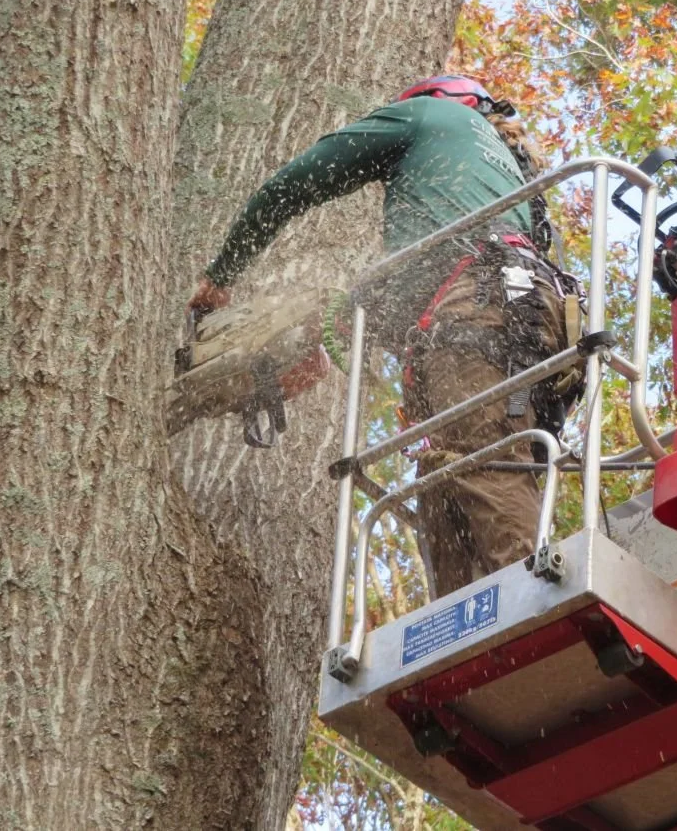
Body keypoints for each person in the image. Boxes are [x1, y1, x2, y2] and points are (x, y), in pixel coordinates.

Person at [189, 75, 581, 598]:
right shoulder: (508, 178)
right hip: (534, 316)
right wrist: (340, 331)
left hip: (478, 308)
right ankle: (463, 636)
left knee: (483, 464)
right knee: (447, 476)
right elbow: (430, 274)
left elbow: (295, 182)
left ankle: (535, 606)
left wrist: (222, 274)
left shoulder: (428, 116)